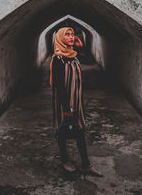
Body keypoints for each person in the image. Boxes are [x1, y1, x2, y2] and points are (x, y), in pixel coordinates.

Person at [49, 27, 103, 177]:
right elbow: (59, 86)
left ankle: (86, 164)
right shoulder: (57, 59)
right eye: (67, 34)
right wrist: (66, 108)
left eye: (72, 34)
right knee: (62, 130)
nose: (71, 37)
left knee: (79, 131)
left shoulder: (74, 56)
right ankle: (65, 160)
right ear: (60, 38)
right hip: (63, 103)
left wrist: (81, 46)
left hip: (76, 101)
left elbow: (91, 60)